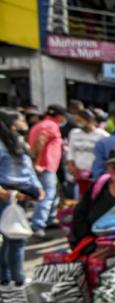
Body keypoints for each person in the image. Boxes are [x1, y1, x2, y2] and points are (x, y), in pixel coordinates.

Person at [0, 110, 43, 285]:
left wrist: (37, 187)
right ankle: (18, 278)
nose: (24, 121)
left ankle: (6, 277)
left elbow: (28, 167)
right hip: (7, 195)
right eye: (20, 118)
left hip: (21, 195)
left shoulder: (17, 141)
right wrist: (7, 193)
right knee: (15, 238)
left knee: (11, 236)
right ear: (11, 122)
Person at [28, 104, 66, 238]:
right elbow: (40, 140)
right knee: (46, 196)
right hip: (45, 166)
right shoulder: (51, 125)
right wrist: (36, 163)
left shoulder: (40, 124)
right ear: (60, 116)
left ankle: (49, 219)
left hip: (47, 166)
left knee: (52, 195)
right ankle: (38, 225)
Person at [67, 109, 108, 196]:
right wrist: (71, 164)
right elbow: (71, 151)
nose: (78, 123)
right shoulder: (74, 133)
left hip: (95, 173)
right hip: (79, 172)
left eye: (80, 120)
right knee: (82, 195)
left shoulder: (102, 135)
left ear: (90, 120)